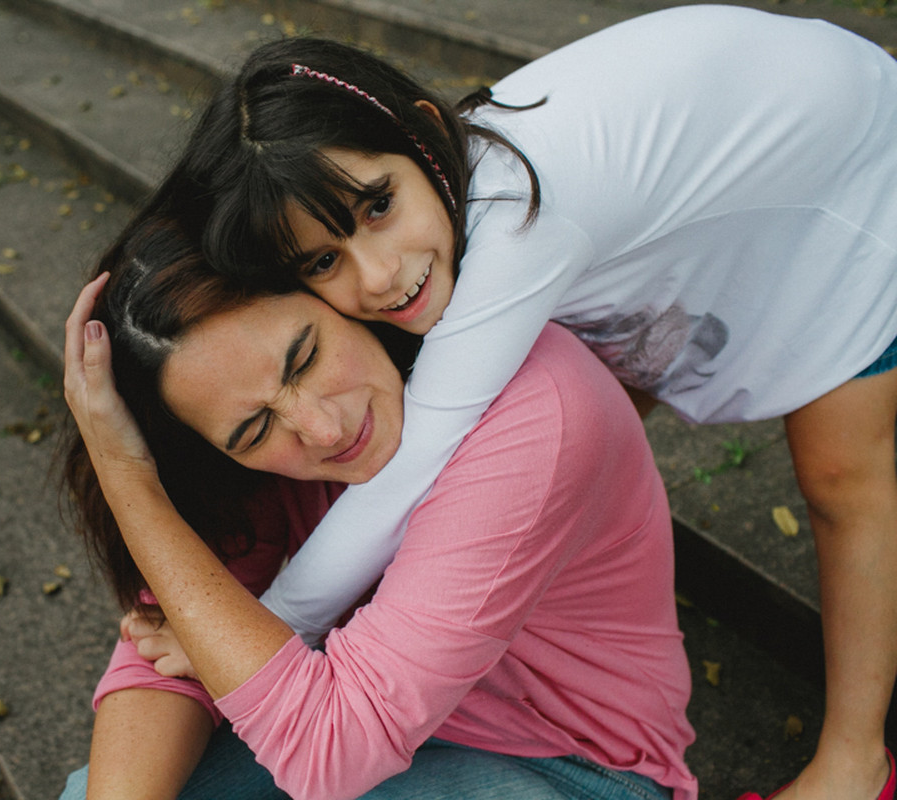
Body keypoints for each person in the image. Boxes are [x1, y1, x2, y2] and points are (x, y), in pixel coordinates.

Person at [161, 7, 897, 799]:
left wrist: (273, 624)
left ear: (423, 134)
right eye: (322, 259)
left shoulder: (517, 215)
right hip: (746, 134)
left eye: (377, 206)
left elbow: (420, 459)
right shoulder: (455, 180)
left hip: (855, 149)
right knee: (561, 392)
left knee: (840, 477)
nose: (377, 278)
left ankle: (856, 763)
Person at [58, 220, 697, 799]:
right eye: (254, 431)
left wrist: (128, 480)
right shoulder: (250, 455)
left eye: (306, 357)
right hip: (363, 722)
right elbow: (168, 653)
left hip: (574, 769)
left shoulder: (541, 408)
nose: (323, 427)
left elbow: (328, 751)